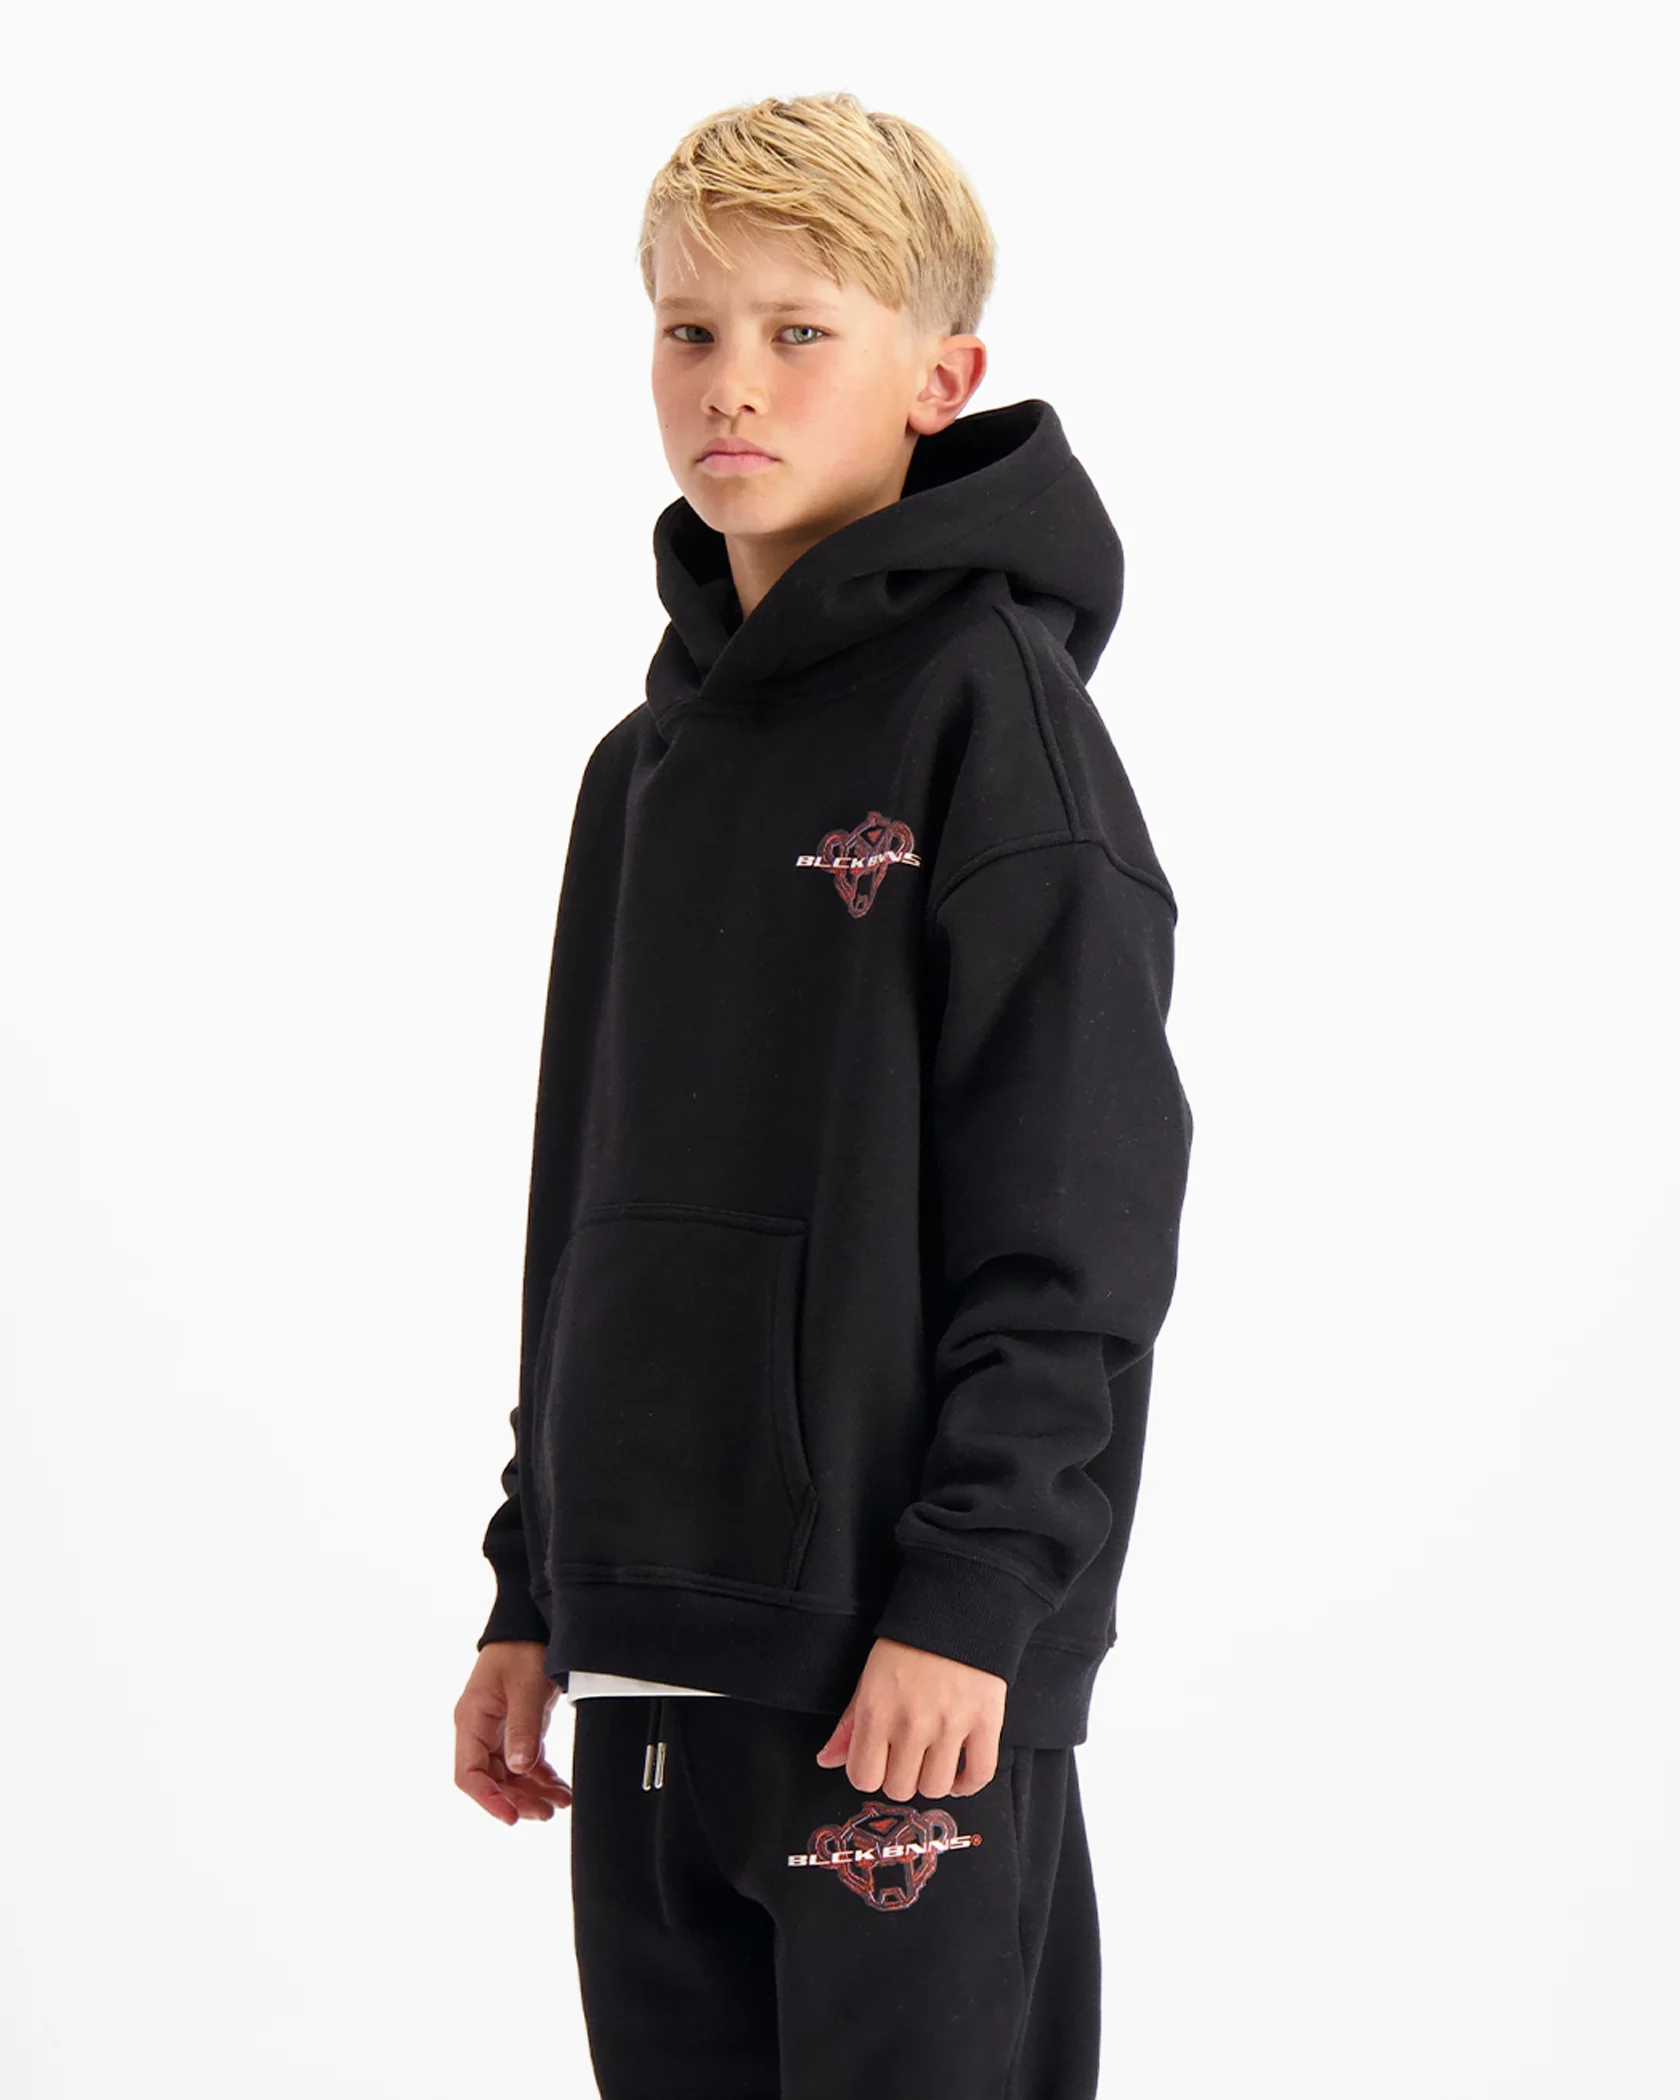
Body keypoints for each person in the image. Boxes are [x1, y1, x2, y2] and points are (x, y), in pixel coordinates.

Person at [451, 89, 1194, 2100]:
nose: (732, 383)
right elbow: (582, 1210)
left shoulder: (996, 724)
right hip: (651, 1665)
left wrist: (977, 1598)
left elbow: (1079, 1216)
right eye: (690, 331)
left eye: (800, 332)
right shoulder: (641, 773)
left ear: (939, 379)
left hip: (903, 1679)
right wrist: (534, 1586)